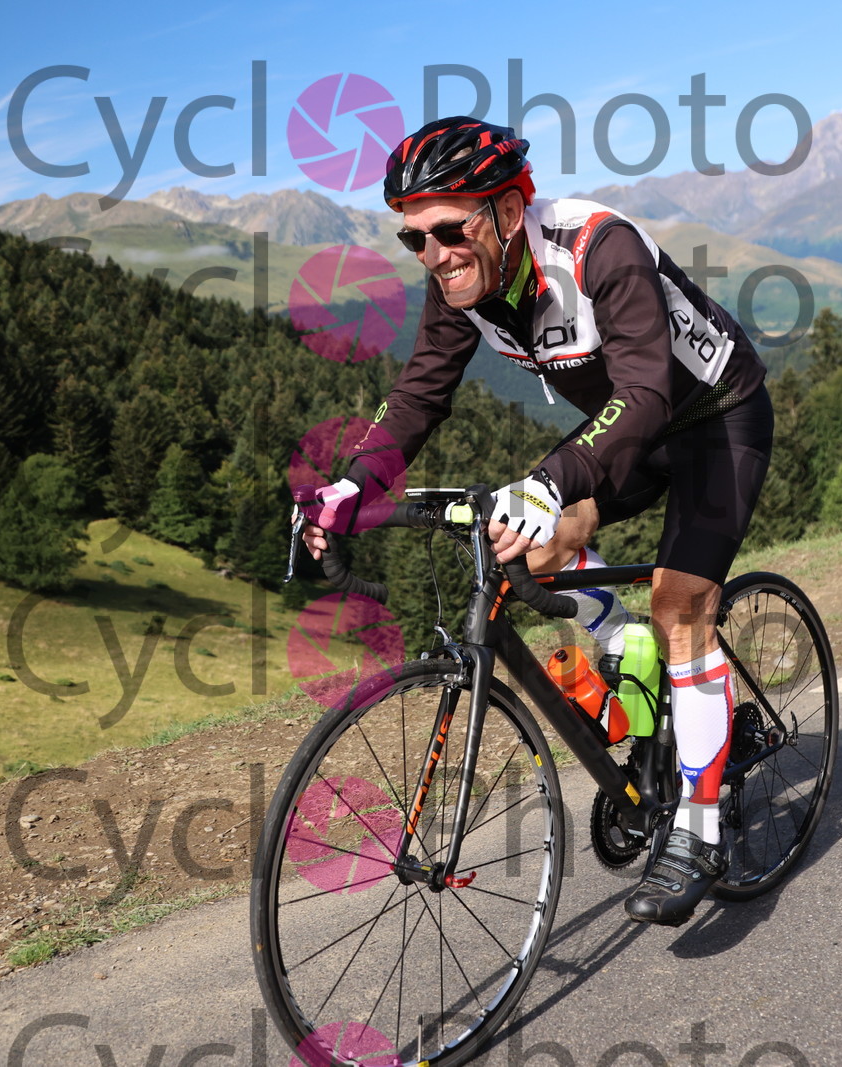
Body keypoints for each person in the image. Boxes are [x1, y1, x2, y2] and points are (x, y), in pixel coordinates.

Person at [300, 117, 774, 927]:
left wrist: (550, 479)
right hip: (630, 428)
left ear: (509, 212)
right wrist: (353, 483)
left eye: (450, 230)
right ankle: (625, 646)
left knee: (680, 604)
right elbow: (419, 394)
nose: (434, 253)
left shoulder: (598, 248)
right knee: (533, 545)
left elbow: (648, 392)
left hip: (714, 419)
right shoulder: (462, 280)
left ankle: (699, 830)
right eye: (414, 238)